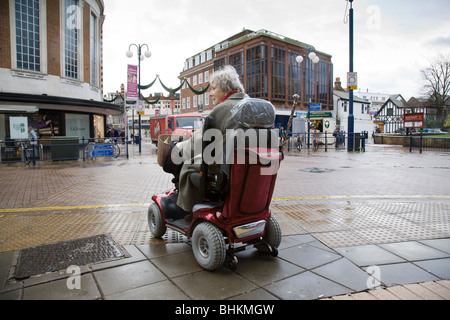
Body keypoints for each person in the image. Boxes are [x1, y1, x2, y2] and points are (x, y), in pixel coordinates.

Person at [169, 65, 247, 214]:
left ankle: (186, 209)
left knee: (186, 165)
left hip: (224, 169)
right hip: (247, 166)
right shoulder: (248, 104)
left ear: (226, 87)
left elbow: (198, 142)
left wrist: (179, 147)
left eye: (213, 88)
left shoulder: (223, 109)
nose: (210, 94)